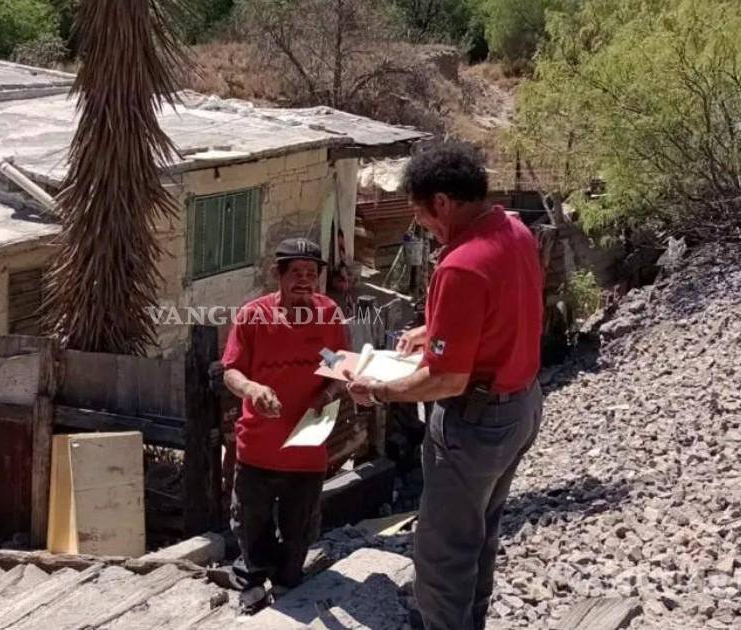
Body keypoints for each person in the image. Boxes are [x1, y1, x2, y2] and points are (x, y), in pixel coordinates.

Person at [347, 144, 544, 630]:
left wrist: (379, 390)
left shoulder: (460, 265)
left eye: (420, 215)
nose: (422, 227)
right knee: (480, 532)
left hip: (475, 422)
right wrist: (434, 328)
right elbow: (500, 310)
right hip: (521, 406)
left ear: (441, 202)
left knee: (442, 552)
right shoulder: (514, 231)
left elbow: (446, 379)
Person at [222, 237, 349, 612]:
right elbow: (231, 371)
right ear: (278, 275)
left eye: (311, 273)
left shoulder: (327, 315)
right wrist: (253, 388)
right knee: (251, 523)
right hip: (258, 447)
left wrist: (327, 393)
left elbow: (337, 366)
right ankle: (252, 581)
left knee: (300, 528)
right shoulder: (253, 316)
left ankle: (288, 582)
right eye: (296, 272)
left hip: (307, 446)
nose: (304, 280)